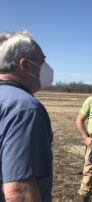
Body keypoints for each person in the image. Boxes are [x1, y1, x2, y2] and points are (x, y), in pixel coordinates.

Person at [0, 30, 54, 201]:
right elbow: (19, 192)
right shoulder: (25, 108)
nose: (47, 67)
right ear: (25, 65)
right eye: (42, 61)